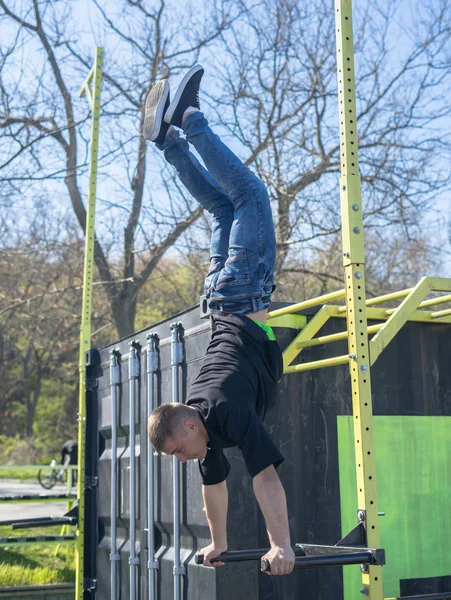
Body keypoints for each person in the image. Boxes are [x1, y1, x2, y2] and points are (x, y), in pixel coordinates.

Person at [145, 65, 295, 576]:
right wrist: (219, 544)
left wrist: (283, 546)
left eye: (182, 450)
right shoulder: (201, 429)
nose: (186, 458)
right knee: (222, 210)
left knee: (251, 196)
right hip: (216, 300)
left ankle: (188, 116)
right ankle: (167, 142)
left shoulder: (225, 413)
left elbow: (264, 478)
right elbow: (214, 488)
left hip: (240, 291)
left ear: (190, 423)